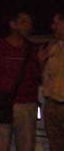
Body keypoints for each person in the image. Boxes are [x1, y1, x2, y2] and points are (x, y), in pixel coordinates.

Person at [0, 9, 41, 151]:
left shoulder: (32, 49)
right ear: (13, 25)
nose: (28, 26)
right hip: (3, 104)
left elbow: (40, 74)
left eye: (30, 22)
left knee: (26, 146)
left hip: (27, 105)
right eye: (24, 22)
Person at [40, 10, 64, 151]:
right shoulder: (54, 47)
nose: (52, 27)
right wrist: (41, 62)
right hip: (52, 105)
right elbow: (48, 76)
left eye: (56, 23)